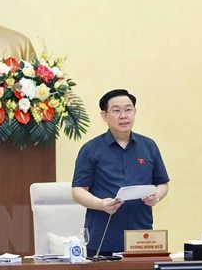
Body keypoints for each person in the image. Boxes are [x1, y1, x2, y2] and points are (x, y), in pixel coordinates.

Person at [72, 89, 170, 257]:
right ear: (104, 116)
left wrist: (156, 196)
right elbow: (78, 191)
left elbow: (162, 184)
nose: (123, 115)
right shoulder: (91, 149)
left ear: (135, 112)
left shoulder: (149, 146)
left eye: (128, 109)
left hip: (142, 239)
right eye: (116, 111)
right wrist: (101, 204)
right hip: (103, 239)